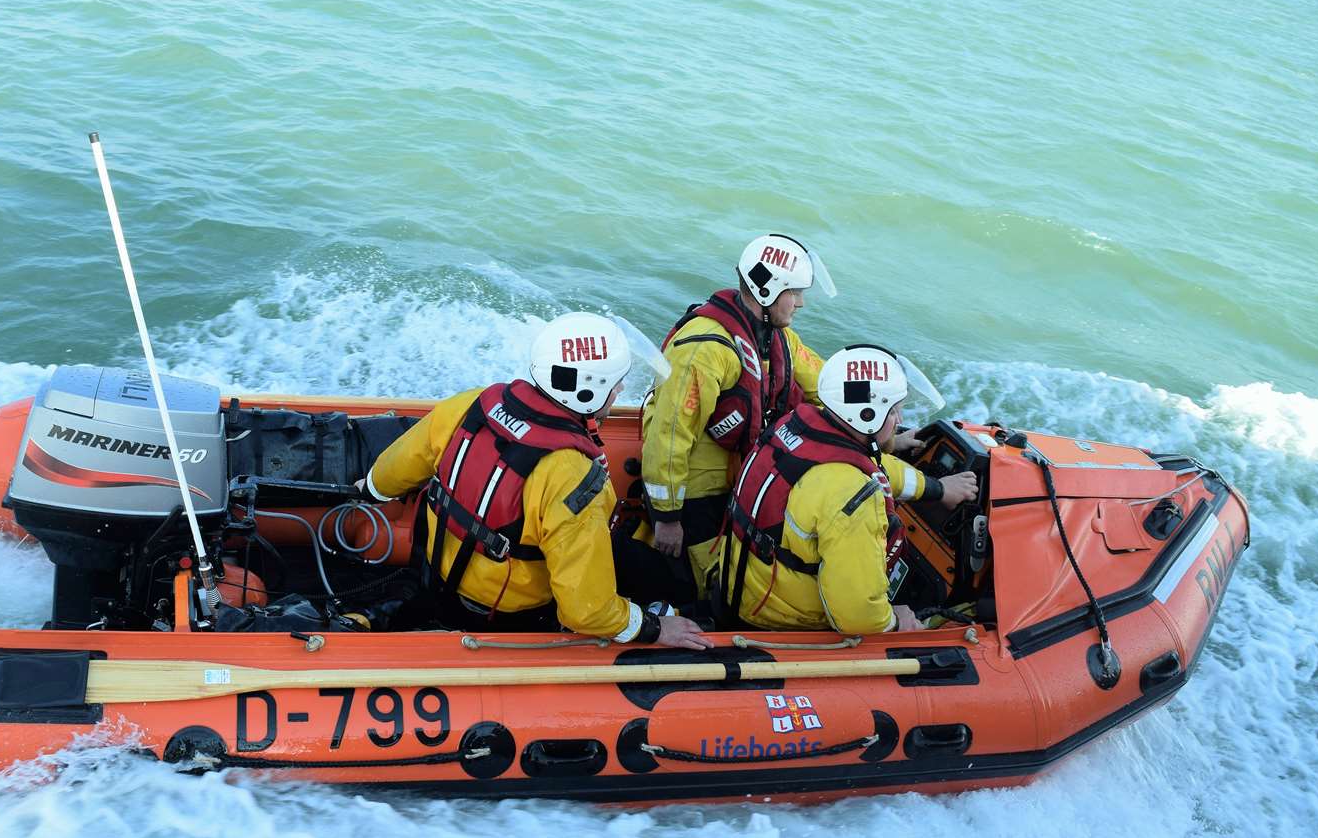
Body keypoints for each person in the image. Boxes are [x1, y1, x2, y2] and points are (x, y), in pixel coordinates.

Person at [364, 312, 712, 649]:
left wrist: (369, 491)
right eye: (615, 382)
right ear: (588, 392)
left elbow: (387, 477)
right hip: (507, 616)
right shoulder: (573, 475)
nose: (621, 388)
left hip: (434, 574)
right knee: (664, 579)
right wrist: (651, 627)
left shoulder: (470, 405)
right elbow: (586, 612)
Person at [640, 233, 923, 594]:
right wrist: (667, 518)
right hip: (696, 494)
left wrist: (885, 430)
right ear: (767, 292)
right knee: (712, 585)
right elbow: (667, 439)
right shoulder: (703, 352)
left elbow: (831, 391)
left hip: (745, 476)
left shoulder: (778, 339)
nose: (801, 303)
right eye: (794, 292)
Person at [717, 343, 979, 635]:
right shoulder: (852, 495)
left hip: (739, 584)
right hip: (780, 619)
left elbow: (874, 465)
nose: (901, 422)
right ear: (867, 416)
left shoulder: (796, 425)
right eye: (894, 413)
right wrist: (896, 620)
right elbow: (859, 617)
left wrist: (937, 488)